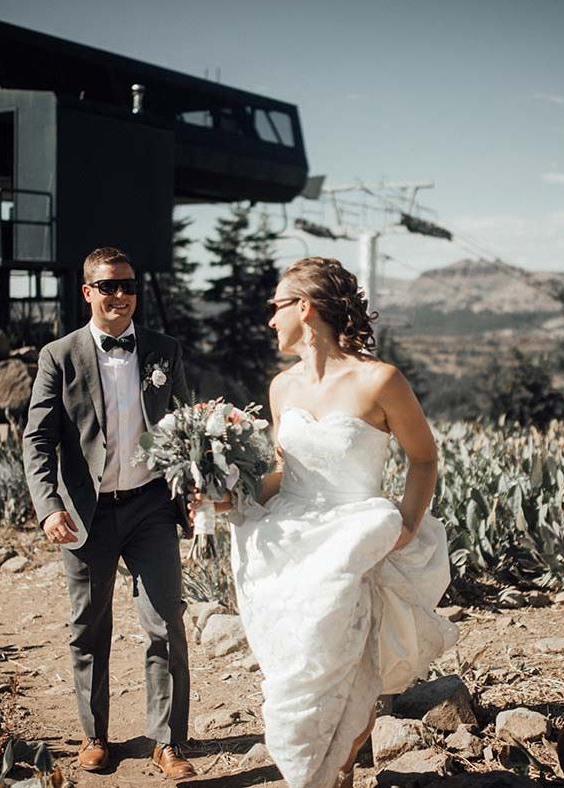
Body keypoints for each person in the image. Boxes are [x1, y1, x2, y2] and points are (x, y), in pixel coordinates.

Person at [195, 257, 458, 788]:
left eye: (276, 307)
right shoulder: (281, 388)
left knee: (342, 660)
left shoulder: (380, 380)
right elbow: (279, 473)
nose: (270, 320)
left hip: (352, 537)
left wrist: (406, 523)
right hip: (287, 537)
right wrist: (227, 500)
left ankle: (331, 773)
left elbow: (424, 458)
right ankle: (321, 773)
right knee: (297, 670)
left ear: (305, 308)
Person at [22, 246, 197, 779]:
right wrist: (48, 506)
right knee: (88, 628)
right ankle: (94, 735)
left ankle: (167, 743)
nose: (119, 296)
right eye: (108, 286)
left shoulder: (165, 349)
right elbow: (37, 440)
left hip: (150, 508)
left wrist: (194, 483)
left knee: (165, 623)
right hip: (85, 513)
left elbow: (186, 425)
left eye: (127, 285)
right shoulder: (60, 355)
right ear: (88, 292)